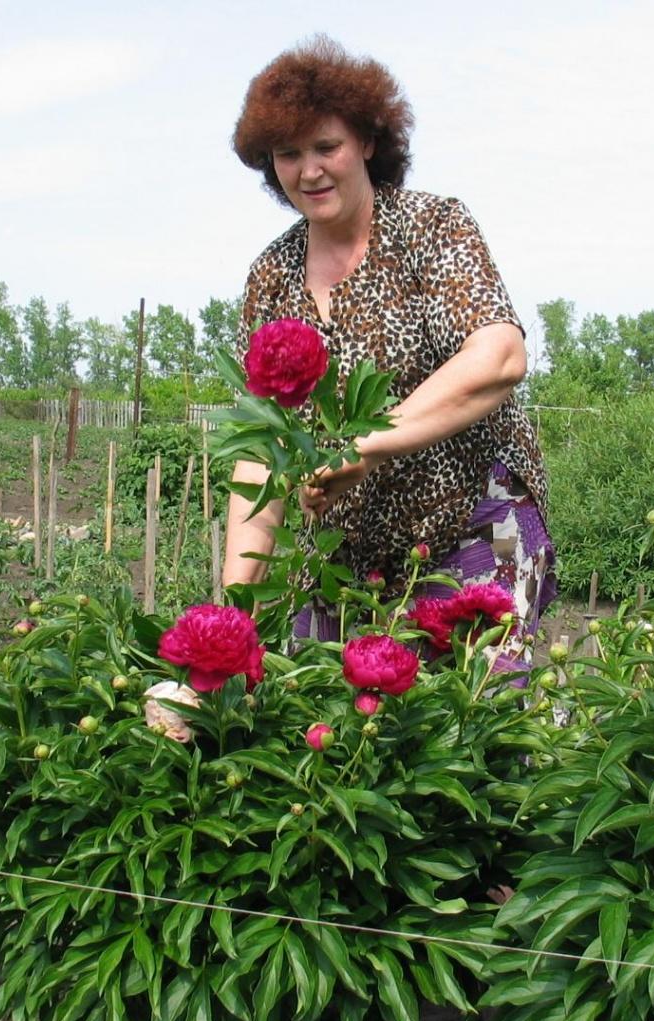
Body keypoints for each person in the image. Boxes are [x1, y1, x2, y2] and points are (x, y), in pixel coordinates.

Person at [223, 36, 555, 664]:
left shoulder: (430, 228)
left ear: (369, 143)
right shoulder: (272, 276)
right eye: (288, 154)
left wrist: (363, 447)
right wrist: (234, 615)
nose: (309, 170)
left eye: (327, 146)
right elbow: (259, 450)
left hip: (470, 527)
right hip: (345, 556)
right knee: (333, 733)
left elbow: (499, 357)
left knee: (475, 731)